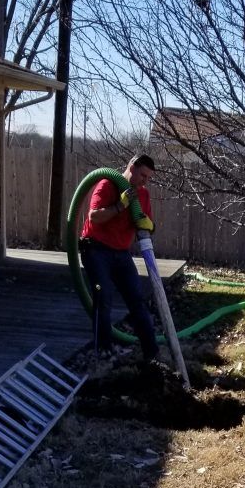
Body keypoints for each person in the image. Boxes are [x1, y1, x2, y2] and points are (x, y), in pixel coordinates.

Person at [79, 154, 161, 371]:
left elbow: (149, 225)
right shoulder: (107, 184)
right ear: (131, 168)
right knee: (102, 296)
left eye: (148, 177)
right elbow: (94, 216)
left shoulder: (143, 194)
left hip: (121, 253)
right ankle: (103, 352)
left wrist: (149, 225)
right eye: (143, 175)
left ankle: (152, 354)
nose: (145, 181)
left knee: (137, 300)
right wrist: (119, 206)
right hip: (96, 250)